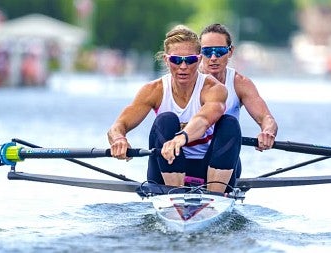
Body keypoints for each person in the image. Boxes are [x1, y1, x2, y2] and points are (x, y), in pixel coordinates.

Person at [107, 25, 242, 193]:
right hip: (166, 170)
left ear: (199, 59)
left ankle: (216, 196)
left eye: (190, 60)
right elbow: (117, 127)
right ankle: (174, 195)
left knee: (229, 123)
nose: (183, 66)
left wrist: (181, 138)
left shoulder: (214, 89)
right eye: (176, 60)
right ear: (166, 60)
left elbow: (203, 120)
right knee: (166, 120)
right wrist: (119, 139)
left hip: (210, 170)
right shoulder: (154, 90)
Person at [199, 23, 278, 177]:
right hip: (188, 156)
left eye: (220, 51)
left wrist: (268, 132)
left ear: (230, 52)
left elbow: (266, 118)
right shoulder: (187, 80)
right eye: (207, 52)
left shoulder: (240, 84)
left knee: (228, 122)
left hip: (225, 160)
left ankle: (218, 190)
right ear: (199, 53)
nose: (213, 57)